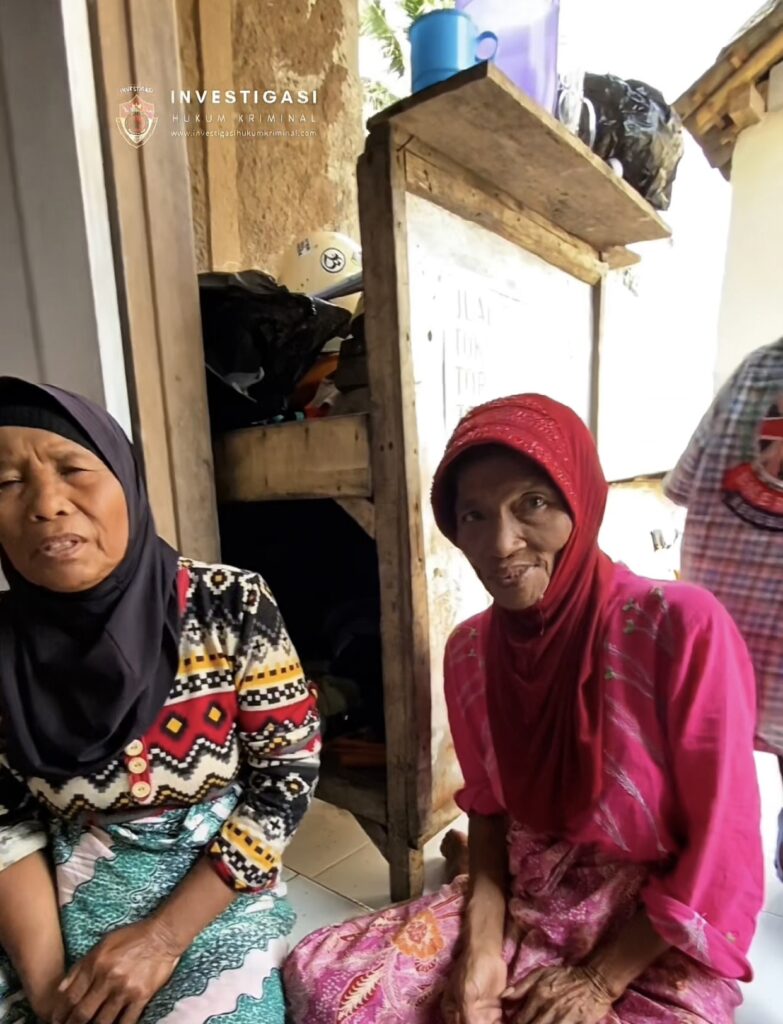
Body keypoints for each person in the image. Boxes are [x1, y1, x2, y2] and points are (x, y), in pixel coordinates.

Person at [284, 393, 763, 1024]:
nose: (501, 543)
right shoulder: (471, 652)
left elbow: (723, 838)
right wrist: (480, 952)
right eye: (474, 516)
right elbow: (490, 813)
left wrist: (597, 981)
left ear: (579, 501)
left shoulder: (678, 628)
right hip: (528, 891)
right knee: (322, 984)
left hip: (653, 922)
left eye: (532, 503)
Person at [0, 377, 320, 1024]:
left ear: (126, 480)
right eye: (6, 483)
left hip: (212, 883)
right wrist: (50, 994)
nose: (46, 505)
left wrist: (162, 940)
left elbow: (286, 777)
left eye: (73, 470)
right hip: (54, 885)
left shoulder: (230, 603)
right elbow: (6, 824)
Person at [664, 337, 783, 880]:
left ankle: (704, 881)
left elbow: (682, 486)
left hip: (719, 649)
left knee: (705, 784)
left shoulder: (758, 370)